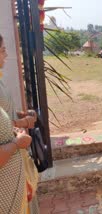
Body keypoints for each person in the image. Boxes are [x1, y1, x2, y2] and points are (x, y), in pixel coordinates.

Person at [0, 34, 36, 213]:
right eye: (3, 50)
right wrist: (17, 141)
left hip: (13, 181)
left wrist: (20, 115)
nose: (6, 55)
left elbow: (5, 115)